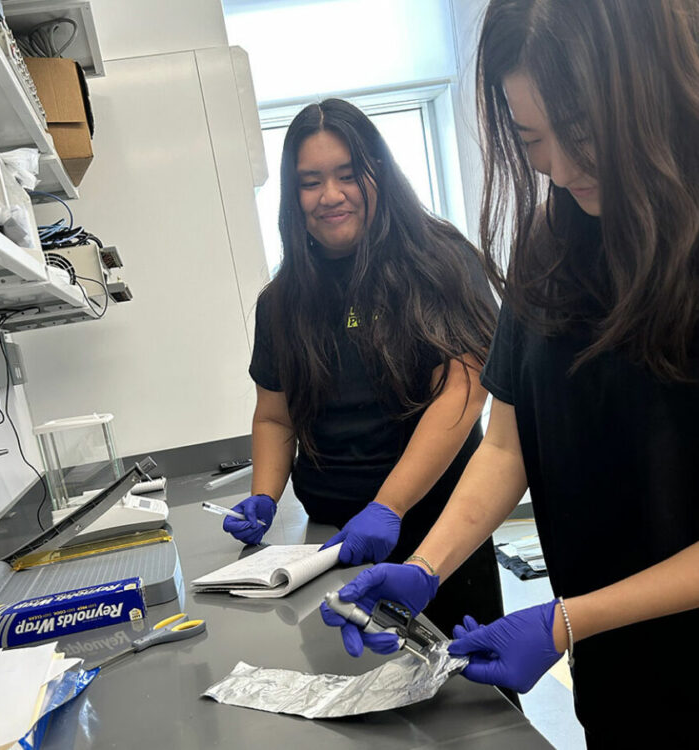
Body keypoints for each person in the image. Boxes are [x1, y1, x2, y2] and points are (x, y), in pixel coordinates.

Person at [321, 0, 699, 745]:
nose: (559, 168)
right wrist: (425, 570)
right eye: (532, 139)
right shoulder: (552, 242)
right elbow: (507, 444)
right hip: (620, 678)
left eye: (584, 133)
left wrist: (568, 618)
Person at [223, 98, 505, 640]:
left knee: (465, 698)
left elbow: (463, 393)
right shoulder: (282, 301)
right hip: (331, 542)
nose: (330, 195)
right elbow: (276, 418)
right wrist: (264, 493)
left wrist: (388, 507)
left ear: (378, 174)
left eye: (347, 175)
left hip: (439, 527)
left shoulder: (441, 261)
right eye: (310, 181)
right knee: (350, 691)